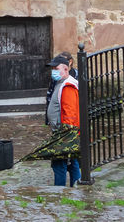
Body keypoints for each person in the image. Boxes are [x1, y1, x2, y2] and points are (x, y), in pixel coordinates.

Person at [46, 54, 81, 187]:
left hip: (65, 134)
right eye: (53, 68)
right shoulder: (61, 83)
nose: (53, 71)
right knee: (72, 164)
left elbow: (70, 113)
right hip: (63, 133)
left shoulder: (67, 86)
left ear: (66, 69)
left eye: (56, 68)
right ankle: (75, 189)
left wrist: (66, 138)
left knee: (60, 166)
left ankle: (60, 193)